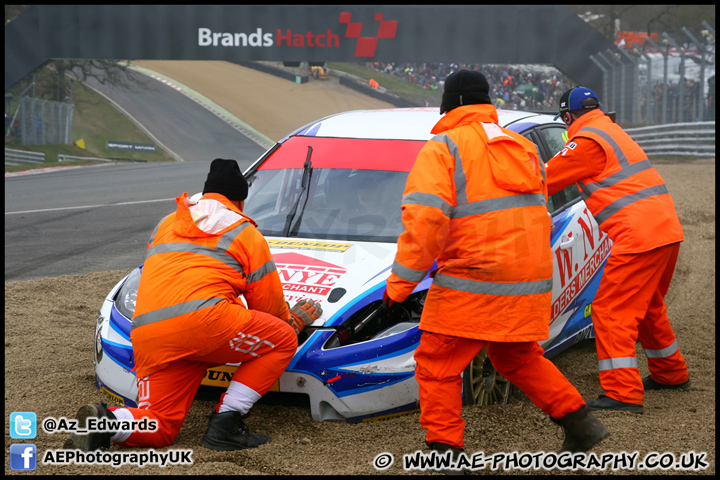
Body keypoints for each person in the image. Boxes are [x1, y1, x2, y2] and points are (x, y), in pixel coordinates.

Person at [383, 70, 609, 461]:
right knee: (515, 357)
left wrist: (400, 286)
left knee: (437, 362)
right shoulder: (522, 147)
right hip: (528, 279)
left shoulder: (443, 148)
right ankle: (579, 421)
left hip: (472, 279)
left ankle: (444, 453)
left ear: (449, 104)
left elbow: (425, 223)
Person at [65, 158, 322, 451]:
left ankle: (105, 422)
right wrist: (294, 320)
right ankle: (227, 422)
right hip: (206, 324)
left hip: (150, 332)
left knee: (159, 426)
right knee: (283, 338)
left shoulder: (166, 223)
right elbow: (270, 312)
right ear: (240, 200)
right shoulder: (245, 233)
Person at [546, 87, 690, 414]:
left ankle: (623, 392)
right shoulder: (611, 131)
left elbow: (541, 179)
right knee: (648, 306)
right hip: (664, 230)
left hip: (638, 235)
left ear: (567, 117)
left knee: (611, 310)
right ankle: (671, 373)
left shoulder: (585, 142)